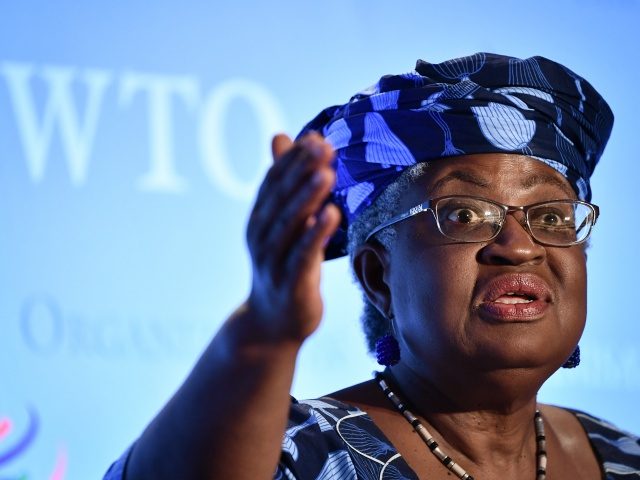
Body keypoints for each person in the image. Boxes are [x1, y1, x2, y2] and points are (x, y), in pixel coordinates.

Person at [104, 53, 640, 479]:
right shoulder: (296, 454)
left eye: (551, 216)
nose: (521, 246)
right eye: (464, 213)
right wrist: (264, 332)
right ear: (378, 276)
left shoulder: (623, 456)